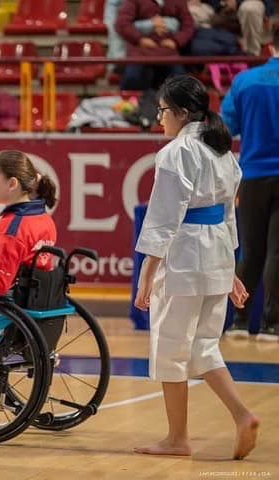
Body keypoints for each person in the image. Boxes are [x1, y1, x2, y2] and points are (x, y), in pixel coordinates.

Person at [134, 75, 259, 459]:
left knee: (171, 348)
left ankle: (177, 438)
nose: (159, 119)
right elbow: (227, 216)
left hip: (184, 255)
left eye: (163, 111)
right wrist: (232, 268)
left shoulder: (177, 151)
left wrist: (147, 271)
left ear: (182, 112)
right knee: (204, 346)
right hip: (217, 253)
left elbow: (164, 216)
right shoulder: (223, 151)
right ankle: (241, 414)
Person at [221, 28, 279, 340]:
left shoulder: (245, 81)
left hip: (253, 173)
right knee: (277, 251)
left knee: (251, 249)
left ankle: (240, 322)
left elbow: (226, 126)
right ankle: (273, 324)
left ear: (270, 45)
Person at [0, 150, 58, 302]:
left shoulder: (10, 229)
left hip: (5, 303)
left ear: (12, 184)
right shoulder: (44, 219)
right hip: (33, 298)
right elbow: (9, 258)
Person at [115, 0, 195, 91]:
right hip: (140, 52)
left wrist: (176, 41)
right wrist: (140, 39)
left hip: (169, 53)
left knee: (181, 83)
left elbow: (188, 25)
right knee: (132, 78)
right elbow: (122, 24)